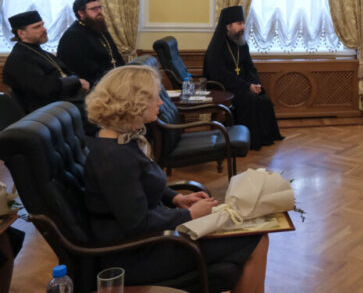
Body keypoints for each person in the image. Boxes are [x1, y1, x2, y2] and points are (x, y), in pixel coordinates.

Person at [83, 65, 269, 291]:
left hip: (154, 239)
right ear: (134, 102)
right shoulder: (114, 158)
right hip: (137, 254)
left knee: (250, 235)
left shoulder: (120, 140)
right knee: (256, 239)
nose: (161, 103)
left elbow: (141, 185)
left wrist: (176, 198)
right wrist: (189, 215)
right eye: (155, 97)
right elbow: (138, 224)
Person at [204, 6, 284, 149]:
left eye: (243, 23)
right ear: (228, 26)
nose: (243, 27)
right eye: (240, 24)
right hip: (225, 88)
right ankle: (250, 141)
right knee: (250, 99)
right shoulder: (216, 48)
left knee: (263, 97)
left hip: (243, 85)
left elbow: (250, 67)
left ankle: (266, 137)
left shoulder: (241, 43)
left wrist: (255, 83)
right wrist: (246, 86)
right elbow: (221, 75)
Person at [2, 10, 89, 114]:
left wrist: (78, 81)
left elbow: (65, 71)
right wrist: (76, 81)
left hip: (65, 102)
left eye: (42, 25)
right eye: (37, 27)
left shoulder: (41, 52)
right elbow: (46, 88)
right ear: (21, 33)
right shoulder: (19, 59)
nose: (44, 29)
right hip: (48, 112)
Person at [57, 0, 125, 86]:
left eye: (100, 7)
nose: (99, 11)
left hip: (113, 78)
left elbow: (115, 55)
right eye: (94, 9)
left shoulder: (100, 28)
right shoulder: (72, 36)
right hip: (94, 84)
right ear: (81, 13)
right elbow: (83, 68)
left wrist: (124, 72)